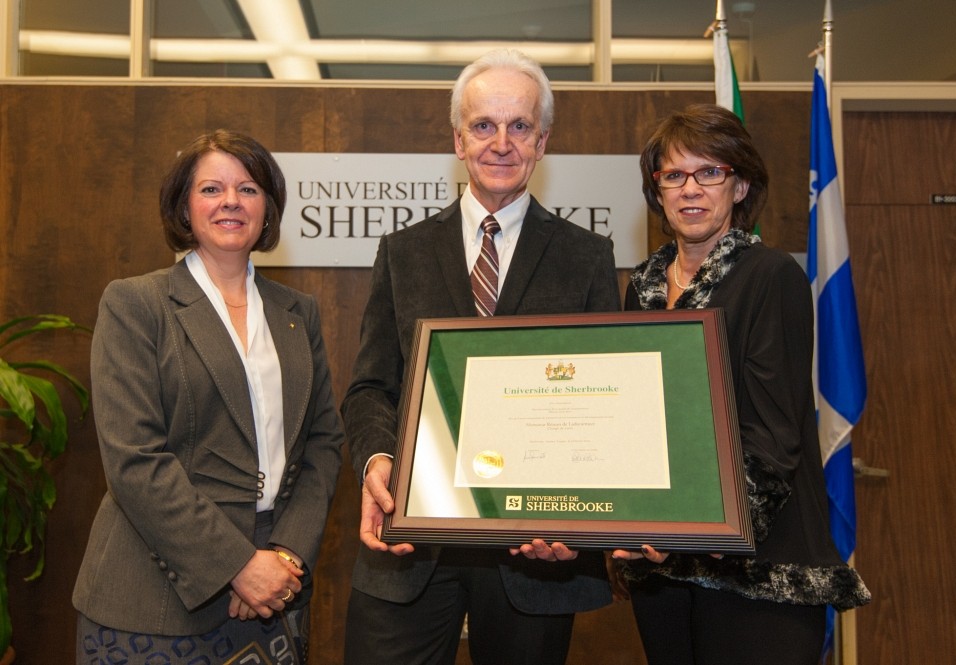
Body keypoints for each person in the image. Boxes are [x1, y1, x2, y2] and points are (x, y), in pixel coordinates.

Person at [341, 48, 619, 665]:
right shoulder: (404, 252)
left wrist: (581, 518)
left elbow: (603, 405)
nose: (501, 143)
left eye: (519, 126)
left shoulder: (586, 258)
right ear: (458, 140)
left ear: (542, 142)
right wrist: (379, 461)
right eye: (483, 125)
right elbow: (371, 387)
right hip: (410, 540)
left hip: (536, 550)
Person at [612, 104, 871, 664]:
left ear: (741, 185)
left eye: (710, 172)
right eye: (674, 175)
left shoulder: (771, 276)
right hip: (661, 568)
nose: (691, 189)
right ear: (657, 190)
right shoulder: (644, 286)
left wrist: (702, 532)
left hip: (757, 570)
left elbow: (775, 437)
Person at [73, 130, 344, 664]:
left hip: (274, 590)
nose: (230, 202)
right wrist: (236, 565)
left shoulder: (297, 312)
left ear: (268, 208)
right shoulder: (136, 304)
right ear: (184, 207)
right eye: (211, 189)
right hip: (154, 599)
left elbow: (323, 442)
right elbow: (134, 459)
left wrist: (285, 555)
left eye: (248, 189)